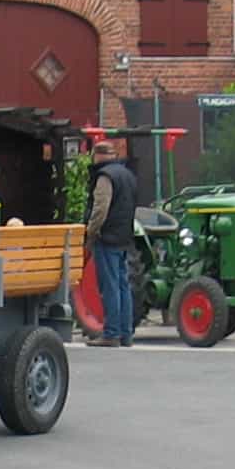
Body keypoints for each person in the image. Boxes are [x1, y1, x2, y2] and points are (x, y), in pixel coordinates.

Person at [84, 138, 139, 346]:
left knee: (110, 287)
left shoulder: (105, 177)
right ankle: (126, 333)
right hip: (124, 237)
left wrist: (91, 231)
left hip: (107, 237)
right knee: (123, 286)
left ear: (97, 156)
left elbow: (100, 208)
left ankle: (111, 333)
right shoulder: (128, 175)